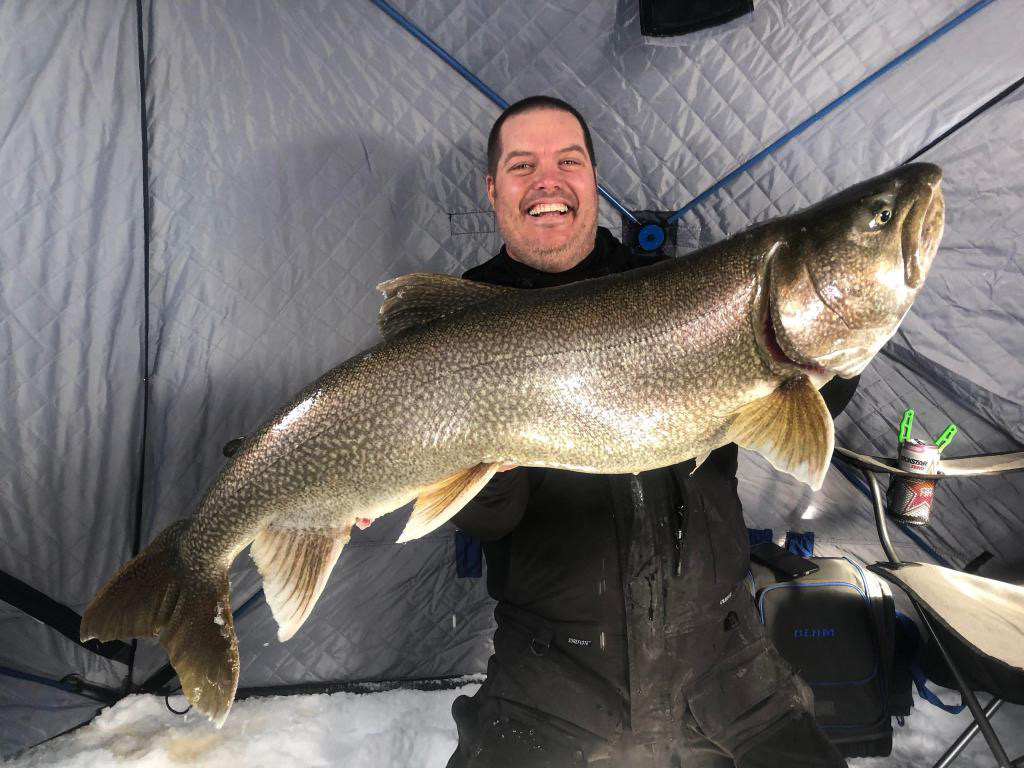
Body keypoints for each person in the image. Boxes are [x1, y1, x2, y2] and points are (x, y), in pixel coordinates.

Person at [445, 96, 855, 768]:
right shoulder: (457, 328)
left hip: (732, 673)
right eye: (523, 166)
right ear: (493, 191)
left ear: (594, 181)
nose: (548, 180)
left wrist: (831, 341)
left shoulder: (689, 290)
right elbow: (489, 523)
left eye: (567, 162)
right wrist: (482, 462)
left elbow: (810, 401)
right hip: (549, 683)